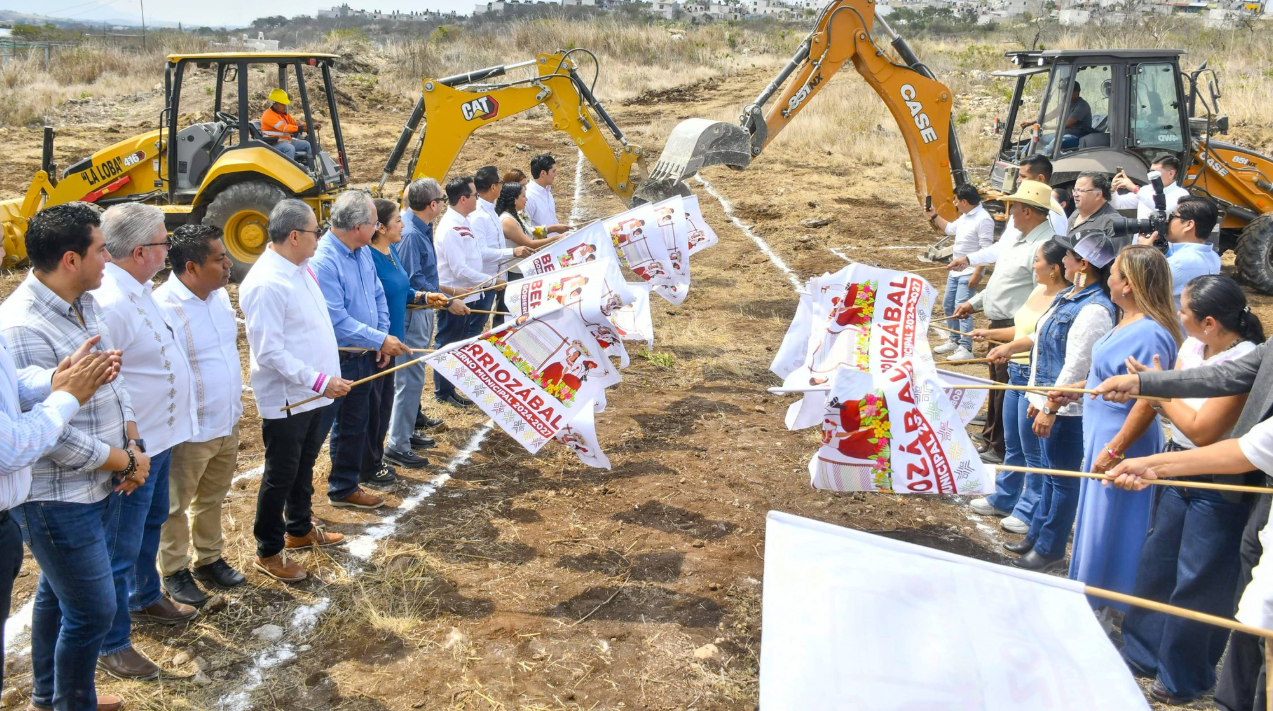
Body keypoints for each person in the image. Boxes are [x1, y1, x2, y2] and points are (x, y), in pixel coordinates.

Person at [0, 202, 145, 711]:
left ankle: (50, 695)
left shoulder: (85, 300)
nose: (110, 257)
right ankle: (72, 702)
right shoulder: (21, 326)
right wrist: (119, 460)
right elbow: (46, 433)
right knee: (92, 610)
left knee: (59, 595)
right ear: (69, 259)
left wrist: (130, 440)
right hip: (57, 495)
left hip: (99, 481)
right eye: (101, 249)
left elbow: (108, 378)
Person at [1094, 327, 1273, 711]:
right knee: (1250, 612)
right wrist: (1146, 383)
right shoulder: (1263, 350)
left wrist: (1150, 458)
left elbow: (1229, 446)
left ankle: (1185, 677)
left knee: (1206, 584)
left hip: (1233, 485)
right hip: (1256, 501)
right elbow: (1226, 390)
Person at [93, 202, 200, 680]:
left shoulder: (140, 290)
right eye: (164, 242)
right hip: (134, 449)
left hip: (160, 438)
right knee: (119, 543)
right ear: (140, 251)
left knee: (150, 523)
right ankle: (113, 641)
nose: (169, 249)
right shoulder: (111, 302)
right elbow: (103, 383)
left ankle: (145, 595)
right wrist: (127, 450)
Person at [240, 199, 351, 583]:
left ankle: (299, 528)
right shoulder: (267, 283)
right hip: (291, 397)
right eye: (313, 232)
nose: (318, 238)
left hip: (315, 393)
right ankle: (269, 550)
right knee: (281, 474)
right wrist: (320, 380)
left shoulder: (301, 268)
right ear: (293, 236)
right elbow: (269, 352)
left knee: (304, 467)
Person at [1068, 245, 1182, 617]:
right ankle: (1088, 597)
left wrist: (1116, 449)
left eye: (1114, 272)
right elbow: (1107, 374)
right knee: (1098, 519)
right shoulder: (1127, 319)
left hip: (1122, 439)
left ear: (1128, 285)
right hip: (1103, 431)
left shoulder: (1150, 334)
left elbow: (1149, 400)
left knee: (1113, 524)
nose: (1108, 278)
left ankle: (1105, 606)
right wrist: (1074, 389)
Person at [999, 231, 1118, 571]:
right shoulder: (1070, 295)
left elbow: (1077, 364)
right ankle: (1038, 533)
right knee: (1050, 474)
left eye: (1068, 257)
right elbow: (1044, 340)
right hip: (1049, 400)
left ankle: (1050, 547)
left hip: (1069, 410)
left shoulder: (1094, 308)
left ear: (1083, 264)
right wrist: (1037, 393)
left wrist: (1051, 406)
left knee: (1062, 480)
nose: (1062, 260)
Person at [153, 224, 248, 608]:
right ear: (191, 267)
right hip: (189, 429)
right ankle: (175, 570)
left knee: (213, 496)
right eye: (219, 259)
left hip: (226, 419)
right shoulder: (164, 307)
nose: (228, 265)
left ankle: (209, 559)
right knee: (175, 505)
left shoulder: (219, 297)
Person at [948, 181, 1062, 462]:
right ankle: (991, 436)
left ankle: (1001, 446)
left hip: (1017, 325)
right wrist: (974, 304)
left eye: (1014, 209)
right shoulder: (1019, 239)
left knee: (1006, 385)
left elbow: (1046, 295)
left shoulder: (1043, 247)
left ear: (1027, 211)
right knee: (997, 383)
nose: (1009, 214)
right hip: (1001, 320)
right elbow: (1002, 281)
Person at [311, 191, 408, 504]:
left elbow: (377, 295)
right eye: (374, 223)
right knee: (319, 431)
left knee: (357, 423)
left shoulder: (362, 250)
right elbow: (336, 320)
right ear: (358, 227)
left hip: (364, 352)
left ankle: (345, 486)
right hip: (338, 358)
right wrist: (379, 339)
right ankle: (300, 507)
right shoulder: (325, 260)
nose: (378, 227)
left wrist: (378, 337)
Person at [971, 235, 1071, 533]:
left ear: (1054, 268)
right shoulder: (1038, 290)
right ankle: (1005, 496)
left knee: (1033, 450)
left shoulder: (1064, 300)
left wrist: (1011, 348)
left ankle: (1029, 509)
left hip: (1034, 377)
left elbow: (1040, 339)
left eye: (1037, 260)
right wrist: (990, 336)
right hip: (1015, 372)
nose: (1033, 264)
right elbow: (1021, 329)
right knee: (1013, 443)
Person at [386, 178, 468, 460]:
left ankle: (406, 432)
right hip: (413, 315)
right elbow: (412, 283)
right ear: (433, 205)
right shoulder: (410, 235)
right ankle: (398, 444)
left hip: (422, 310)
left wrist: (447, 294)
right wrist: (446, 300)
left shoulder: (417, 228)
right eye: (442, 200)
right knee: (409, 378)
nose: (444, 204)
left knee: (415, 377)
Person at [370, 197, 429, 471]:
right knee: (372, 410)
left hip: (392, 342)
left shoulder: (390, 251)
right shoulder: (369, 257)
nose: (403, 225)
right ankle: (372, 461)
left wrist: (424, 296)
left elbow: (402, 289)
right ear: (380, 227)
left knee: (384, 406)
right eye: (397, 220)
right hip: (378, 344)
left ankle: (380, 454)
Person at [434, 176, 495, 408]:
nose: (477, 199)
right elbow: (459, 268)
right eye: (474, 196)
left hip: (467, 294)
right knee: (448, 342)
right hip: (454, 296)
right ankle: (442, 392)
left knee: (458, 342)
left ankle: (450, 389)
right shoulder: (451, 228)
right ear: (463, 199)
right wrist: (489, 281)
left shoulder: (463, 221)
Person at [926, 184, 993, 362]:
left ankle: (966, 347)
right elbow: (949, 229)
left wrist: (978, 273)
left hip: (969, 271)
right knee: (949, 304)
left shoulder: (983, 219)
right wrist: (934, 216)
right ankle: (954, 341)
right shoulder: (965, 217)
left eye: (956, 200)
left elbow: (987, 250)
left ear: (964, 201)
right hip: (955, 271)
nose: (955, 203)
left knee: (962, 309)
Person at [472, 166, 531, 334]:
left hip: (496, 279)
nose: (502, 186)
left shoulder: (491, 210)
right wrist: (512, 252)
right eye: (500, 182)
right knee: (474, 329)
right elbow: (481, 252)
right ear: (493, 187)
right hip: (484, 282)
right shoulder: (478, 215)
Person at [495, 181, 560, 325]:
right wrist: (556, 238)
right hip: (513, 272)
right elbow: (528, 243)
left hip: (521, 269)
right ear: (514, 199)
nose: (526, 199)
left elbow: (530, 232)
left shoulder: (516, 216)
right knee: (506, 309)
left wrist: (553, 229)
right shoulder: (507, 220)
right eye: (523, 196)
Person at [1143, 195, 1221, 310]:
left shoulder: (1178, 264)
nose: (1167, 221)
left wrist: (1142, 252)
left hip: (1169, 327)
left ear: (1188, 225)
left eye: (1172, 216)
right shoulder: (1214, 257)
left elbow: (1138, 290)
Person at [1111, 154, 1191, 219]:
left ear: (1171, 173)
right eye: (1150, 171)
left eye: (1155, 172)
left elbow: (1163, 210)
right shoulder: (1146, 190)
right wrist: (1112, 191)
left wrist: (1134, 188)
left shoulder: (1181, 194)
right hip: (1141, 238)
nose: (1150, 176)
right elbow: (1119, 204)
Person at [1025, 82, 1091, 153]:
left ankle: (1040, 163)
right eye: (1063, 91)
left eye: (1066, 91)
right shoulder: (1065, 104)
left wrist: (1048, 127)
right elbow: (1050, 115)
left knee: (1053, 144)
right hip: (1063, 134)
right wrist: (1030, 123)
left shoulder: (1081, 106)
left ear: (1076, 92)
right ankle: (1017, 158)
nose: (1064, 94)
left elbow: (1067, 124)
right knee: (1037, 139)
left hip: (1076, 137)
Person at [260, 88, 318, 164]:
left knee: (306, 144)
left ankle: (312, 167)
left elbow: (295, 125)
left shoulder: (283, 115)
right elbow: (285, 128)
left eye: (285, 104)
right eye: (282, 104)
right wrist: (300, 128)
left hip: (286, 141)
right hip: (273, 144)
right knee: (289, 148)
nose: (285, 106)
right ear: (274, 103)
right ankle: (289, 172)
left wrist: (310, 126)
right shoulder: (268, 115)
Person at [1069, 171, 1123, 247]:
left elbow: (1120, 257)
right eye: (1074, 190)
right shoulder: (1075, 213)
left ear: (1098, 195)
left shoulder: (1114, 224)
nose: (1075, 194)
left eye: (1081, 190)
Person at [525, 154, 561, 230]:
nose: (555, 174)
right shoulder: (528, 196)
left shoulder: (547, 191)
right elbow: (527, 230)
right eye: (553, 171)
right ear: (543, 173)